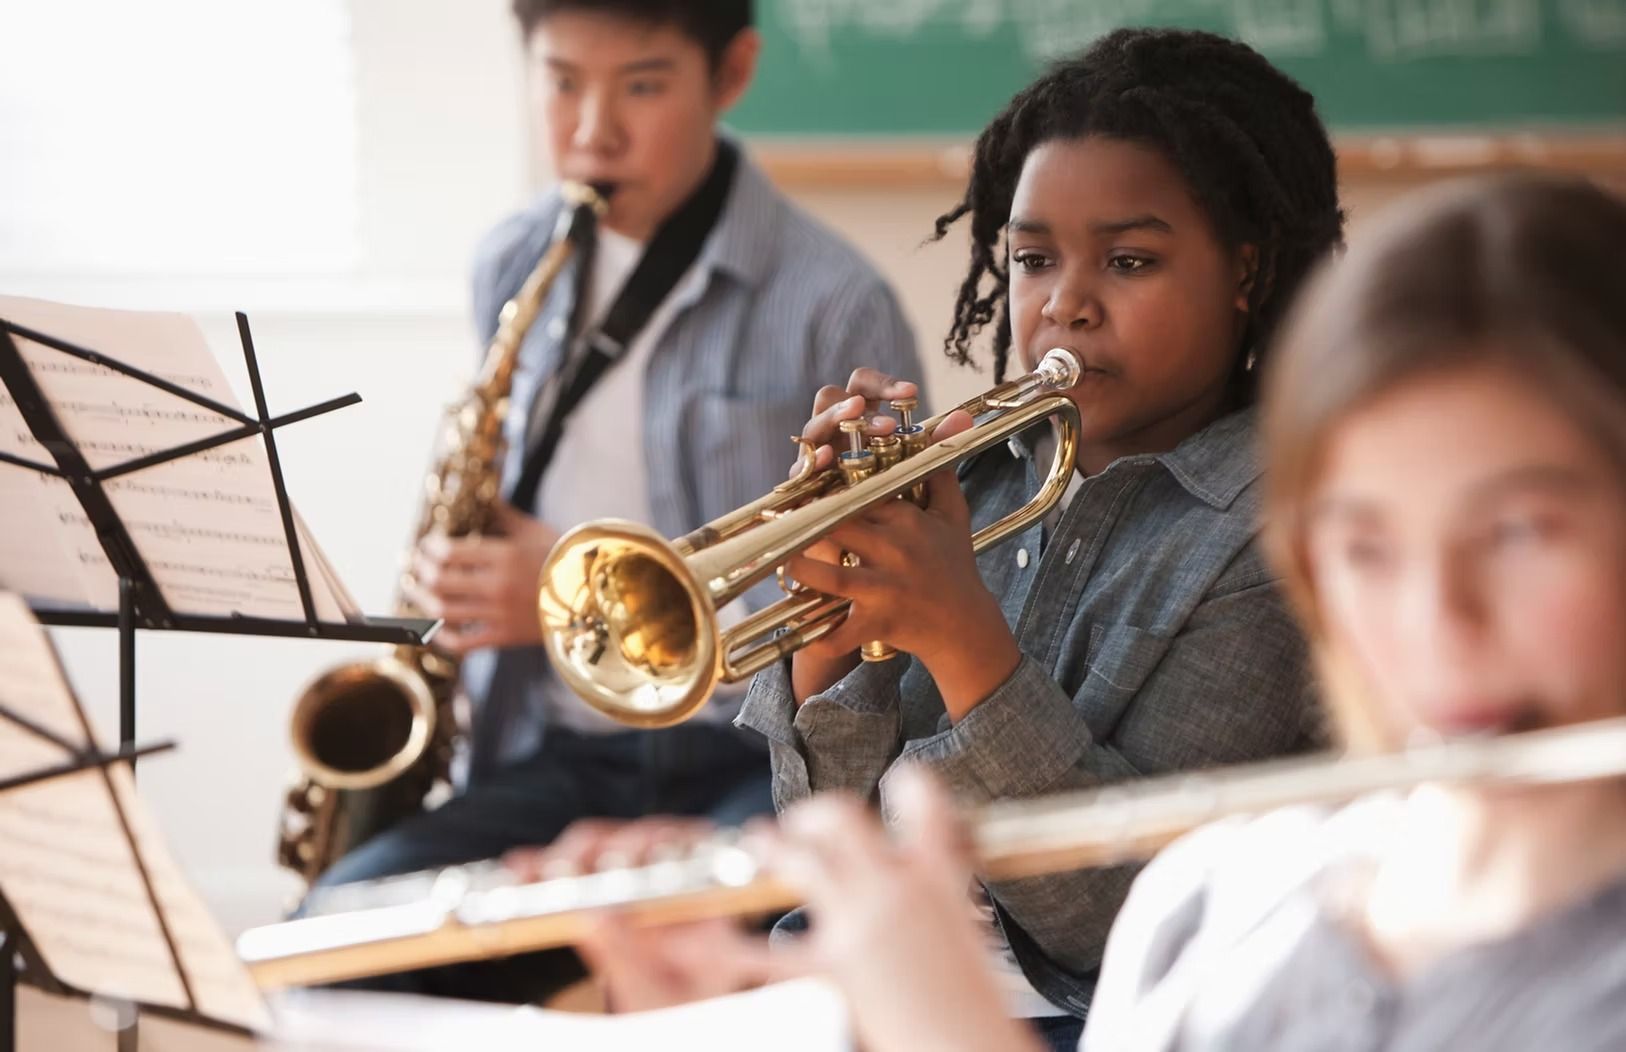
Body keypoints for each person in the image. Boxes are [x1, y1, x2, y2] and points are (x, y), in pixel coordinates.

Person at [582, 173, 1626, 1052]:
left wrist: (938, 1022)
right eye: (1366, 547)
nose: (1437, 621)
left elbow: (1083, 917)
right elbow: (830, 803)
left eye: (1519, 532)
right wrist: (834, 632)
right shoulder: (1220, 897)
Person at [529, 26, 1346, 1048]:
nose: (1066, 304)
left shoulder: (1286, 528)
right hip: (867, 975)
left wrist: (960, 635)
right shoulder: (975, 475)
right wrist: (830, 629)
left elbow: (1123, 919)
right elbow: (824, 828)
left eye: (1129, 260)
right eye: (1033, 259)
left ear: (1246, 271)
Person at [307, 0, 919, 1004]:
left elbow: (886, 614)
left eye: (641, 85)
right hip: (560, 753)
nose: (593, 128)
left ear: (731, 74)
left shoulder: (835, 299)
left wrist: (557, 589)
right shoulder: (514, 260)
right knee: (330, 945)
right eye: (561, 82)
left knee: (744, 960)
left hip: (752, 761)